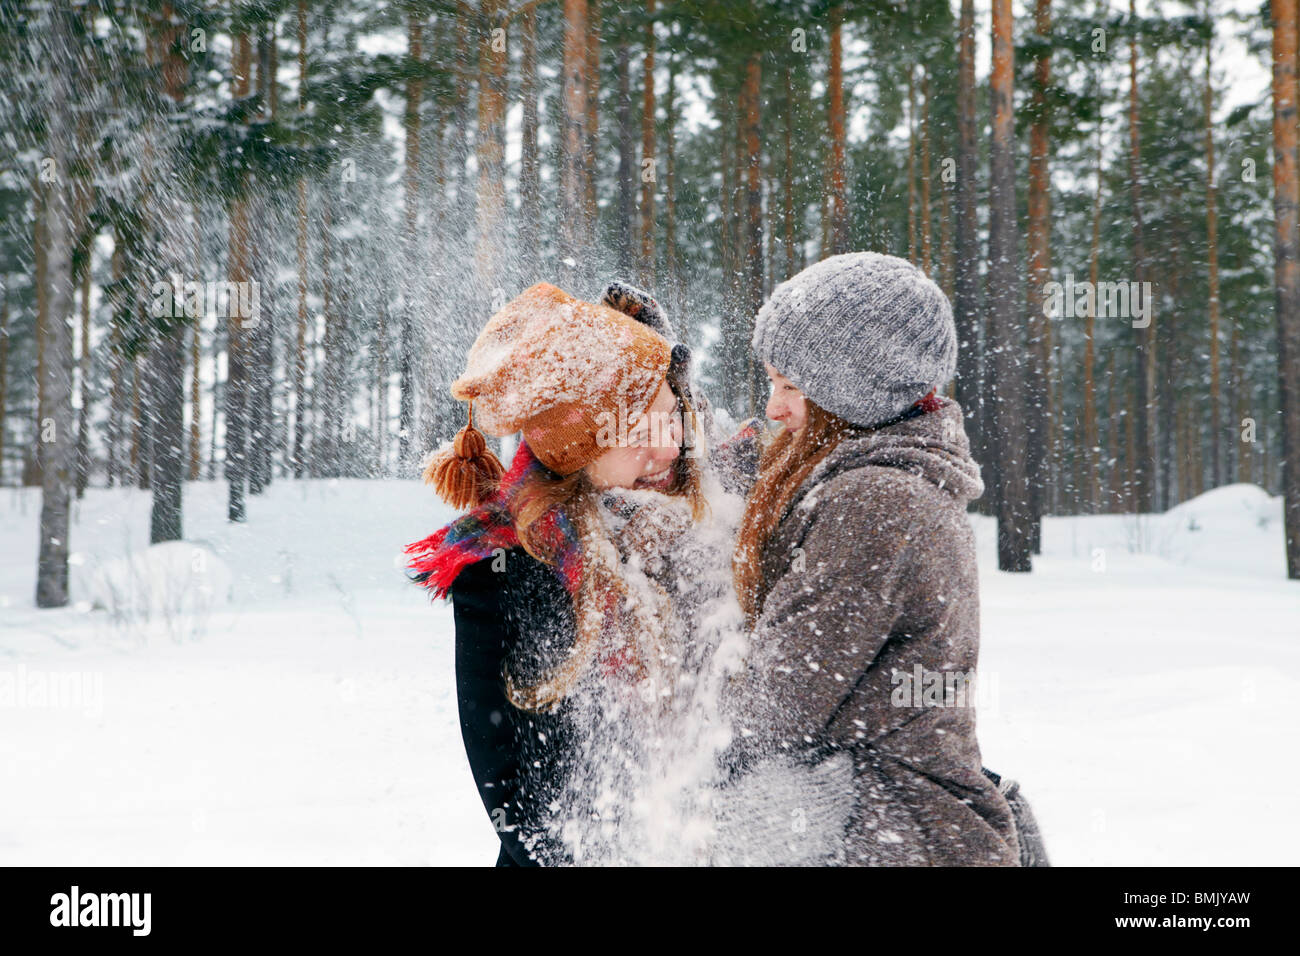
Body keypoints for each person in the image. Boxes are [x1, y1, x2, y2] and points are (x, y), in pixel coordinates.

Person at [406, 282, 852, 866]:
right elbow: (514, 793)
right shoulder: (508, 568)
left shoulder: (724, 506)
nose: (668, 450)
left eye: (672, 420)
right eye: (637, 433)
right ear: (575, 450)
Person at [727, 251, 1048, 866]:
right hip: (894, 824)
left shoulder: (875, 504)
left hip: (895, 835)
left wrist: (655, 745)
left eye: (790, 386)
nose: (772, 408)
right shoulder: (876, 481)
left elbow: (773, 709)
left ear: (853, 391)